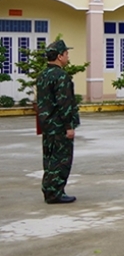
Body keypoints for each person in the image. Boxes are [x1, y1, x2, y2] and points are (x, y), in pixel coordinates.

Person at [36, 39, 80, 204]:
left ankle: (48, 189)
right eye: (66, 54)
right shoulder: (61, 76)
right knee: (61, 159)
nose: (68, 57)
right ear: (60, 56)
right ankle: (55, 193)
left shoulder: (42, 76)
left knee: (49, 158)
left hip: (47, 124)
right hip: (59, 125)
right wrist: (69, 126)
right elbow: (64, 103)